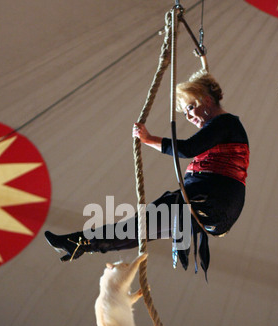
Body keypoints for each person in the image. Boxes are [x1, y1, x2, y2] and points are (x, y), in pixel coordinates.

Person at [45, 69, 249, 275]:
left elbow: (187, 149)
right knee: (139, 230)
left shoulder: (226, 123)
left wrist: (148, 139)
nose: (188, 117)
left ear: (206, 100)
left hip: (212, 200)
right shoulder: (224, 128)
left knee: (140, 225)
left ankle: (80, 241)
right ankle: (81, 243)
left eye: (190, 107)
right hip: (217, 208)